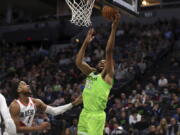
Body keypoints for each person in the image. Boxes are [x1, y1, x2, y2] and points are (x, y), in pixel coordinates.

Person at [76, 13, 120, 135]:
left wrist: (113, 28)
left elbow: (109, 51)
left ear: (110, 66)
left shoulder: (107, 77)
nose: (102, 62)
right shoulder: (91, 73)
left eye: (105, 62)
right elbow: (79, 62)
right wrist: (85, 43)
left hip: (96, 116)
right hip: (85, 113)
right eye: (100, 61)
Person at [9, 80, 82, 135]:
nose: (28, 85)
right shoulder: (15, 106)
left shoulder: (36, 102)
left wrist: (73, 104)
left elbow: (54, 111)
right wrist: (39, 128)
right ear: (19, 90)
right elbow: (16, 129)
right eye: (24, 85)